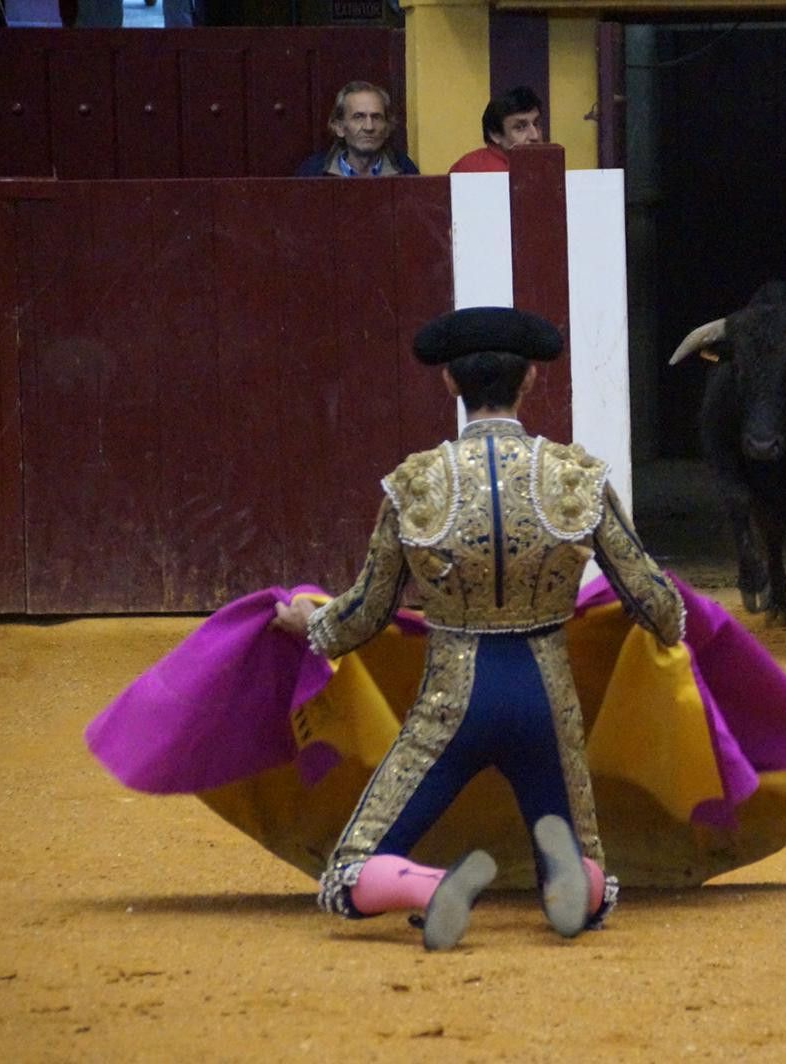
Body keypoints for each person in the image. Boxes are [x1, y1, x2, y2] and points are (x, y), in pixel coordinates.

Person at [270, 306, 685, 950]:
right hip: (546, 700)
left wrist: (310, 625)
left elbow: (366, 613)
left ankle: (428, 885)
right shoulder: (575, 478)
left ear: (449, 383)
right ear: (530, 381)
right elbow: (655, 603)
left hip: (453, 699)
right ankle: (574, 882)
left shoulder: (416, 484)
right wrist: (678, 620)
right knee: (581, 864)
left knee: (350, 872)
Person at [295, 81, 420, 178]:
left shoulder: (405, 170)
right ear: (339, 127)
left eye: (376, 117)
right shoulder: (313, 171)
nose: (369, 127)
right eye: (358, 117)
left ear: (387, 128)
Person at [449, 86, 545, 174]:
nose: (535, 136)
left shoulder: (547, 164)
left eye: (536, 124)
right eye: (520, 127)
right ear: (495, 135)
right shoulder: (471, 170)